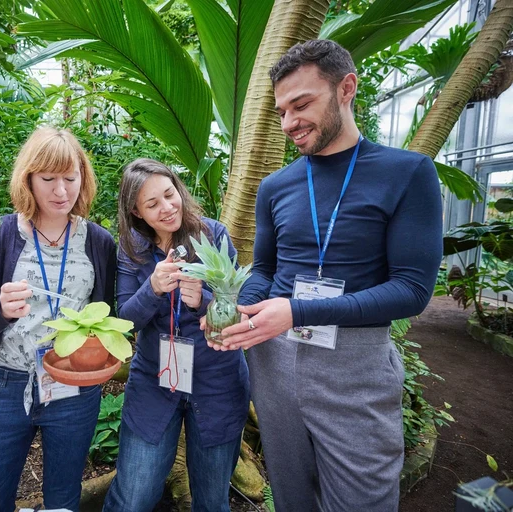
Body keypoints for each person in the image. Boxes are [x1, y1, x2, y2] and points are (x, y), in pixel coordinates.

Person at [215, 40, 443, 511]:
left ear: (346, 88)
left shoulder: (407, 173)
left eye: (301, 105)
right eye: (281, 111)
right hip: (274, 361)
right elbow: (266, 270)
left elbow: (413, 290)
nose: (289, 123)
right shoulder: (275, 186)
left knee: (363, 497)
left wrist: (296, 311)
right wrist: (241, 311)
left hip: (353, 367)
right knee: (292, 494)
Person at [0, 127, 116, 512]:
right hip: (6, 386)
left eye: (70, 178)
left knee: (63, 497)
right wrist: (0, 310)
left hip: (73, 388)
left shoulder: (98, 241)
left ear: (83, 178)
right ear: (28, 180)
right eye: (48, 179)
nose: (61, 191)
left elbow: (108, 316)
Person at [102, 159, 250, 512]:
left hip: (217, 381)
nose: (167, 208)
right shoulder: (133, 247)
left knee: (212, 500)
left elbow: (238, 311)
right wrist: (152, 287)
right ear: (136, 212)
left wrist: (204, 301)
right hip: (155, 379)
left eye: (170, 195)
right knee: (133, 496)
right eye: (152, 204)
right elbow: (126, 321)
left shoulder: (213, 235)